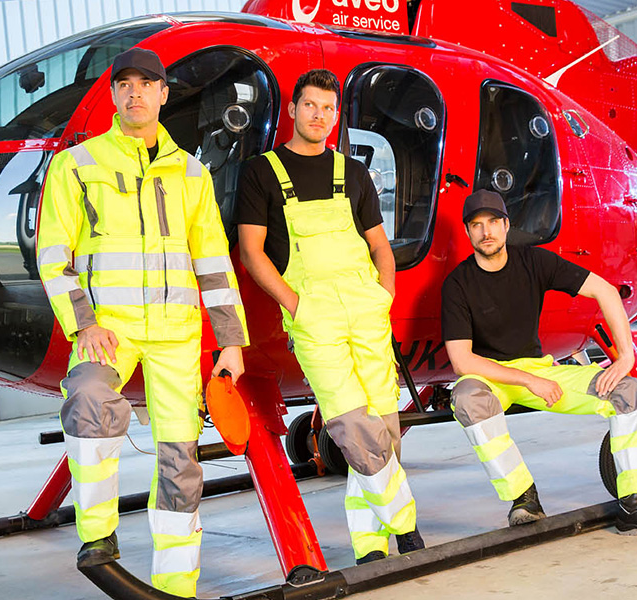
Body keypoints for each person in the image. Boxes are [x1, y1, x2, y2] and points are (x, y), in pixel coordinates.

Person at [37, 48, 248, 598]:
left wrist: (230, 341)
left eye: (146, 84)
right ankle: (97, 534)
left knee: (180, 461)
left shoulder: (192, 173)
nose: (135, 93)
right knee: (86, 399)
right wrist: (83, 323)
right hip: (110, 327)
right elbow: (53, 255)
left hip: (178, 336)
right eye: (124, 84)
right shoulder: (78, 164)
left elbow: (213, 261)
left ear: (162, 94)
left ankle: (176, 585)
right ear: (113, 96)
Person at [236, 69, 424, 564]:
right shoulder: (263, 171)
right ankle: (405, 524)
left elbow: (380, 247)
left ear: (335, 116)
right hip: (314, 315)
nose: (318, 115)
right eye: (310, 106)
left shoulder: (353, 173)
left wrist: (383, 296)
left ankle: (370, 546)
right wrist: (297, 306)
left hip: (367, 312)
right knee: (352, 427)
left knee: (385, 425)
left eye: (328, 108)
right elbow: (253, 253)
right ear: (293, 110)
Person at [442, 189, 637, 538]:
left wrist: (625, 356)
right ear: (468, 232)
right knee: (467, 396)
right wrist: (527, 381)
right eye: (476, 225)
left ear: (506, 225)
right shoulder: (458, 284)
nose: (486, 232)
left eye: (493, 222)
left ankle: (635, 503)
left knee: (625, 389)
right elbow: (462, 360)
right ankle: (523, 496)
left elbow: (605, 291)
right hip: (492, 380)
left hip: (540, 369)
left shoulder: (534, 261)